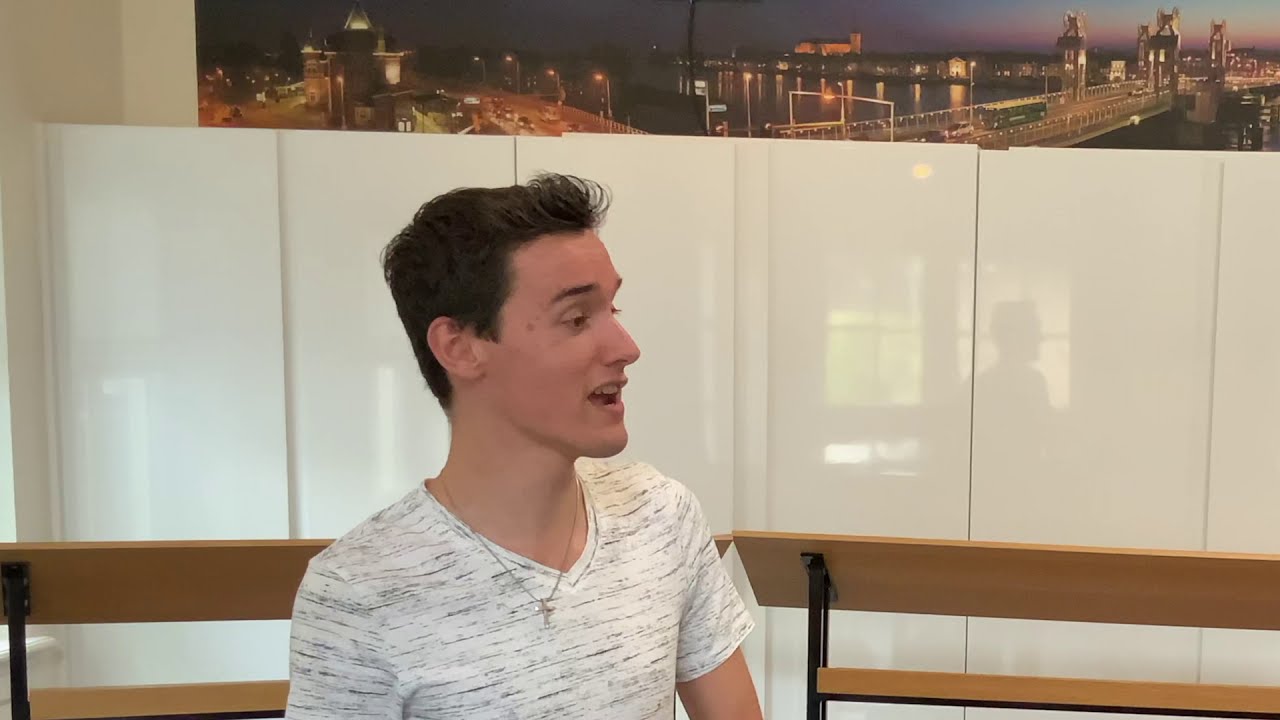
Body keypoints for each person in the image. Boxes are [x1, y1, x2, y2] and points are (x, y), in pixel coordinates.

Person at [285, 173, 761, 719]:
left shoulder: (661, 516)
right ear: (460, 348)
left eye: (613, 310)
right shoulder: (356, 592)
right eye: (577, 318)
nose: (625, 348)